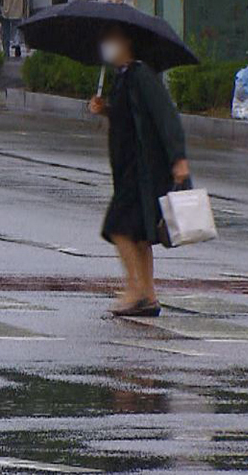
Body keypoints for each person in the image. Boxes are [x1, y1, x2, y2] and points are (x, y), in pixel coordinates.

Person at [88, 25, 191, 317]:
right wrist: (105, 108)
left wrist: (179, 158)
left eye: (112, 39)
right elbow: (129, 115)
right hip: (127, 169)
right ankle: (148, 295)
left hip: (143, 169)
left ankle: (135, 291)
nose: (107, 45)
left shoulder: (142, 75)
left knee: (118, 229)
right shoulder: (122, 77)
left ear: (127, 43)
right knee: (140, 235)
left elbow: (166, 116)